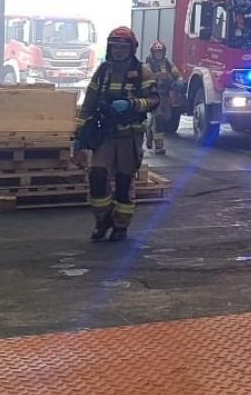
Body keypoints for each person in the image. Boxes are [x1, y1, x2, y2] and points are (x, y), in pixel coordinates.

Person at [72, 27, 157, 242]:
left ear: (131, 48)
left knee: (123, 182)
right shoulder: (102, 72)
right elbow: (88, 104)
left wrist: (131, 104)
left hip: (130, 136)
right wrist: (80, 135)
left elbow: (154, 100)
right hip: (105, 135)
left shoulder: (142, 72)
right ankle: (103, 219)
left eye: (123, 47)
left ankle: (121, 225)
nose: (118, 51)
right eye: (115, 47)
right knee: (97, 177)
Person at [143, 41, 177, 157]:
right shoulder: (148, 64)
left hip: (165, 96)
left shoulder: (167, 63)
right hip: (154, 95)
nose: (158, 54)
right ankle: (159, 146)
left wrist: (179, 81)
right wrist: (158, 77)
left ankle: (149, 129)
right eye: (157, 52)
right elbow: (146, 76)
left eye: (160, 52)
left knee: (166, 117)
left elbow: (175, 72)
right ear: (153, 52)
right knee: (158, 120)